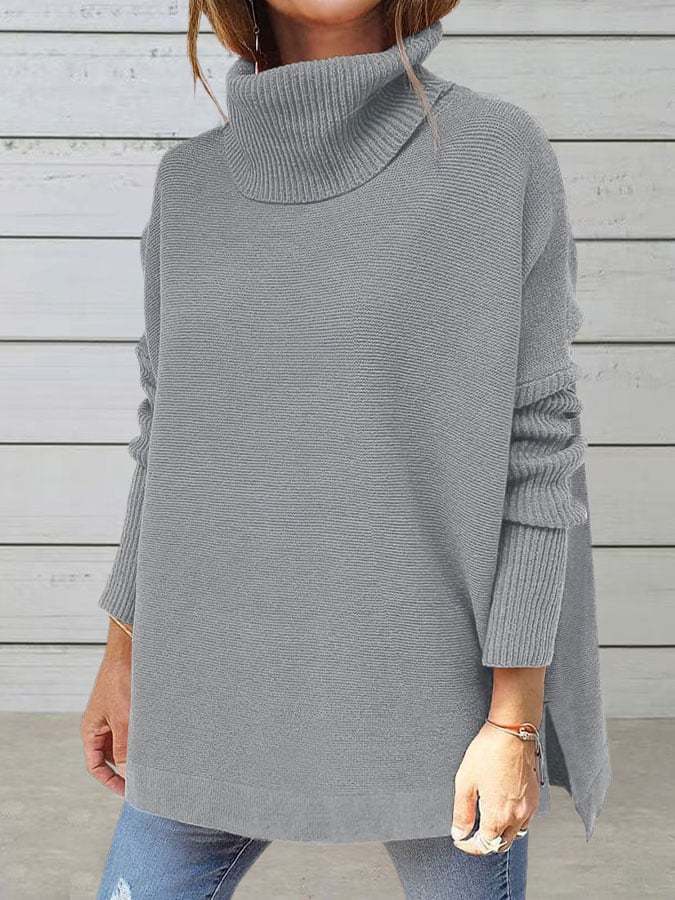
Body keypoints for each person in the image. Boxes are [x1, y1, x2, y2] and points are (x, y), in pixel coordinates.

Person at [82, 2, 611, 897]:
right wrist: (123, 653)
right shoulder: (190, 184)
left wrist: (514, 720)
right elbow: (168, 434)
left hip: (429, 693)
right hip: (208, 680)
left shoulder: (494, 154)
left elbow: (537, 449)